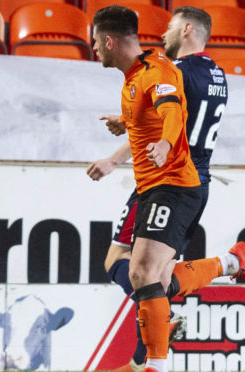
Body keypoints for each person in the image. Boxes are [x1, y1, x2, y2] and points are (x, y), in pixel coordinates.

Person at [90, 6, 244, 372]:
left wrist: (124, 154)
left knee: (138, 273)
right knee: (153, 278)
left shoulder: (173, 71)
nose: (162, 35)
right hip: (191, 176)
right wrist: (127, 121)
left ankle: (153, 357)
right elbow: (161, 115)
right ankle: (230, 262)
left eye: (171, 27)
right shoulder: (217, 74)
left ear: (187, 29)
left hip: (170, 176)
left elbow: (169, 117)